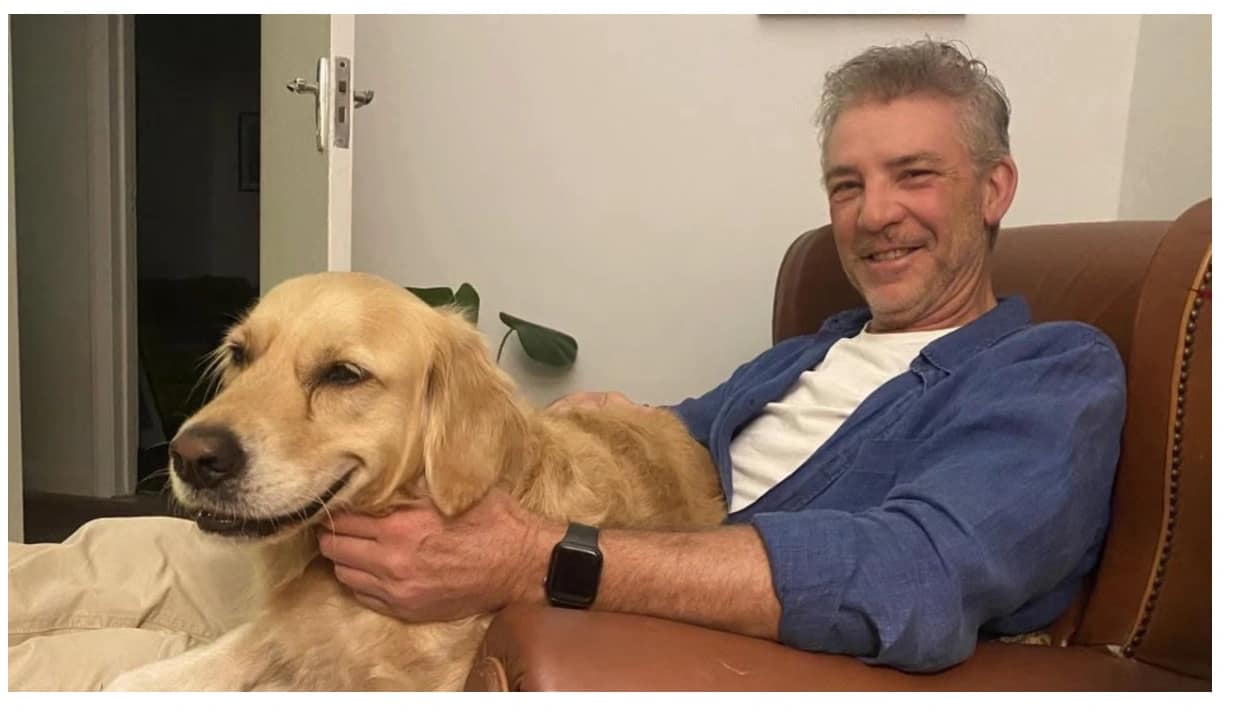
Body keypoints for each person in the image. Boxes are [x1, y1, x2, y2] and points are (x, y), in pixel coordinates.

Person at [7, 39, 1124, 688]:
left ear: (995, 188)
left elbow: (916, 575)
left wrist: (547, 553)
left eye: (915, 175)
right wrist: (610, 424)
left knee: (79, 670)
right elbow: (686, 438)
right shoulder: (810, 352)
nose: (874, 214)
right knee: (103, 552)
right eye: (847, 184)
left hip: (570, 602)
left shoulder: (1051, 371)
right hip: (412, 543)